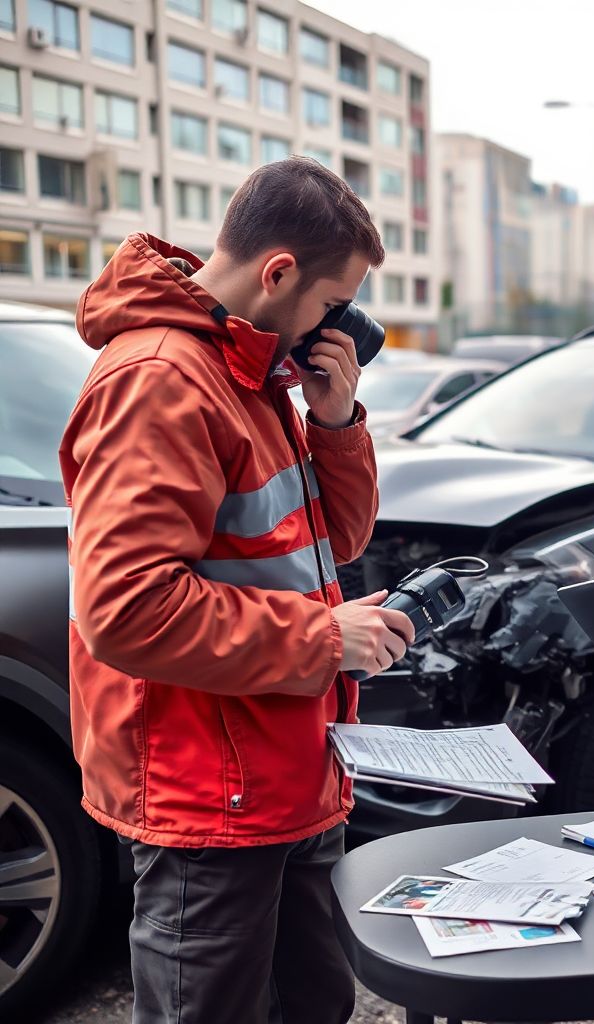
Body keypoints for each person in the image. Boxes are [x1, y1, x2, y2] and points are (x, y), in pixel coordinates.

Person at [59, 157, 416, 1024]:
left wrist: (335, 422)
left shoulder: (250, 372)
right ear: (278, 272)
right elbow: (127, 605)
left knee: (314, 1003)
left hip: (289, 767)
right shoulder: (162, 379)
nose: (345, 326)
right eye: (334, 305)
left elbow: (336, 541)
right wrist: (325, 642)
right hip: (211, 794)